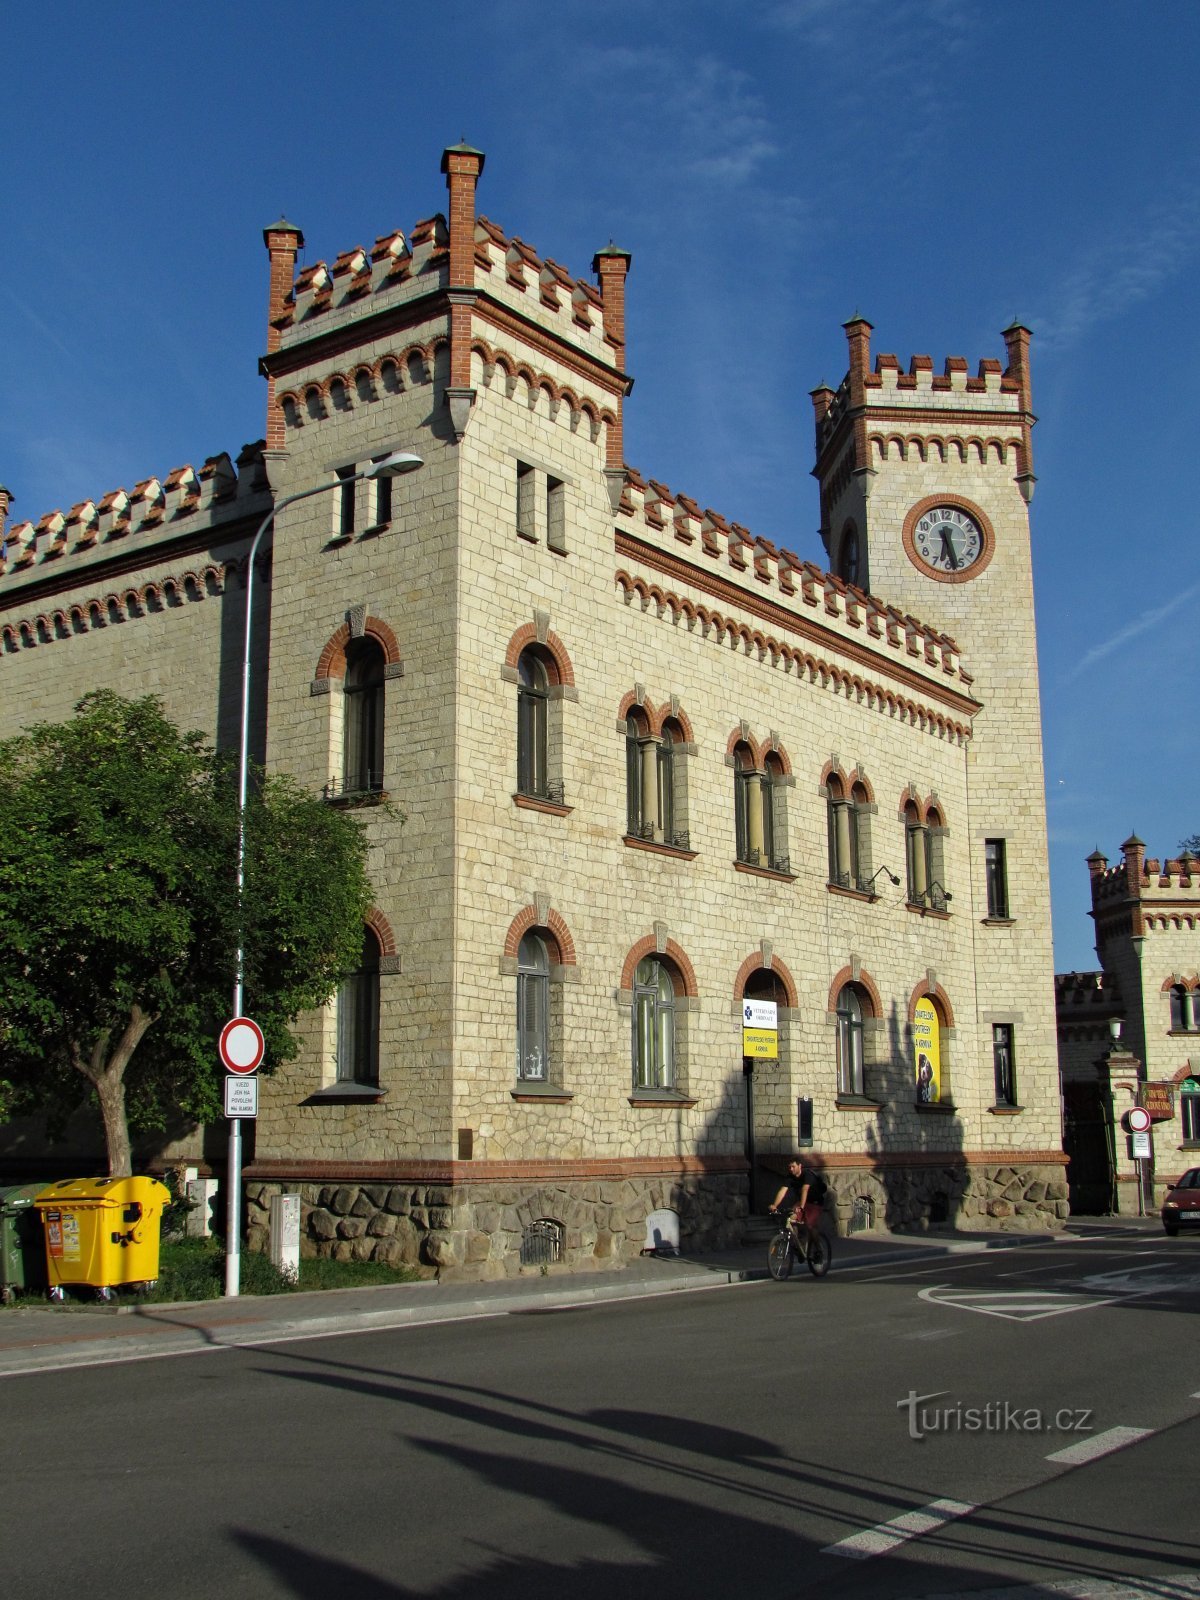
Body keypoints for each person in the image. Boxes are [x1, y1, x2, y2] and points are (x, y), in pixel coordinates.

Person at [769, 1157, 828, 1252]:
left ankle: (818, 1249)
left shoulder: (808, 1175)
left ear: (800, 1166)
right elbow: (782, 1191)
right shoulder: (790, 1177)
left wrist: (801, 1207)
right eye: (789, 1167)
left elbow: (805, 1189)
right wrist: (774, 1205)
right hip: (802, 1202)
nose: (791, 1169)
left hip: (815, 1203)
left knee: (810, 1226)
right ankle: (798, 1244)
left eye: (793, 1166)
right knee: (791, 1219)